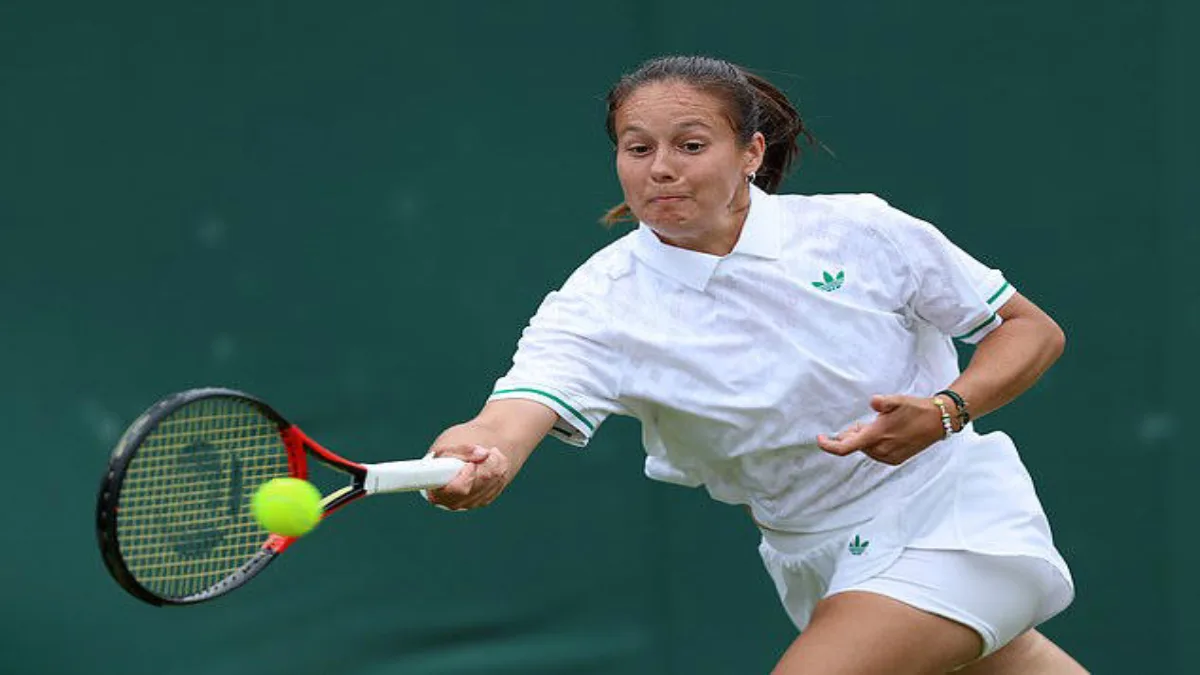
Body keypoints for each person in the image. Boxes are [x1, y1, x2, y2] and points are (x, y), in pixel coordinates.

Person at [424, 55, 1086, 674]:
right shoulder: (598, 302)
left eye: (690, 145)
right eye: (638, 148)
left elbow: (1029, 330)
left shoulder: (859, 229)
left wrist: (946, 410)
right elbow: (506, 420)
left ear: (751, 153)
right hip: (812, 554)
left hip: (951, 517)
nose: (661, 169)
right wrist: (473, 454)